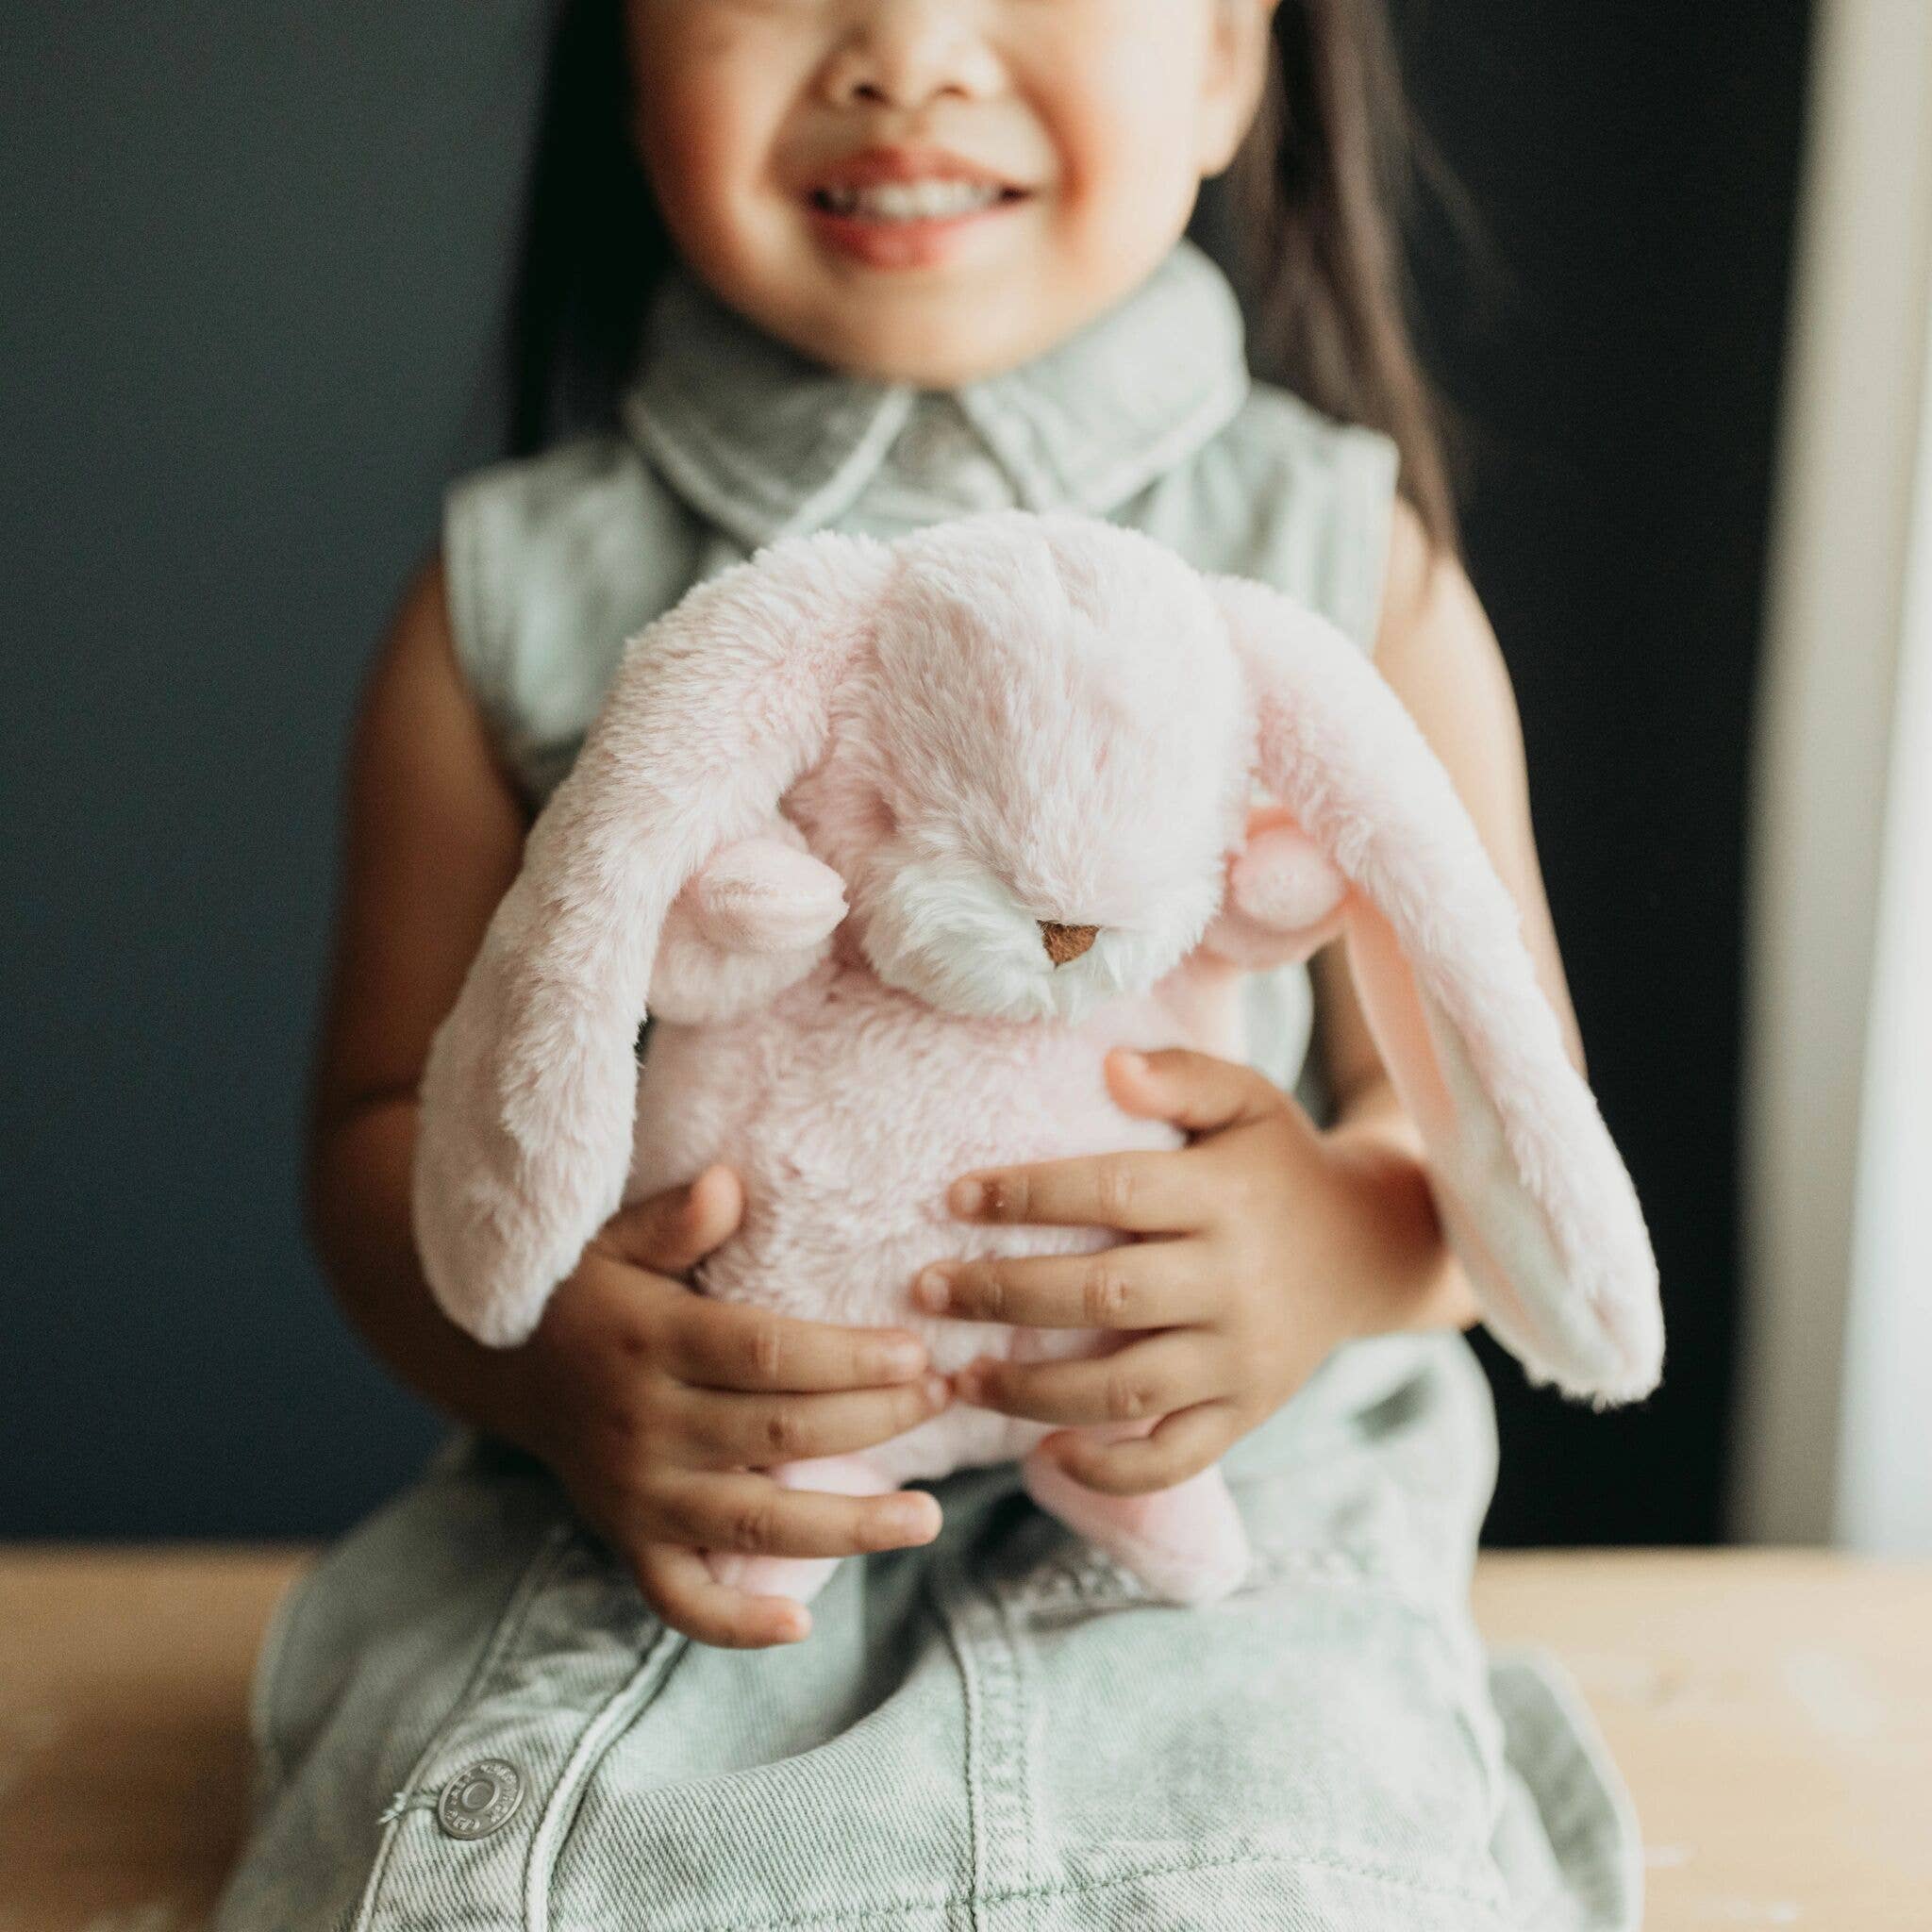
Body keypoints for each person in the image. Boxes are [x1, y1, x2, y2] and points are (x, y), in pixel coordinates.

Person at [215, 2, 1642, 1925]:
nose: (905, 52)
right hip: (683, 1510)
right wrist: (563, 1370)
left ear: (1228, 58)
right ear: (631, 69)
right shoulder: (514, 601)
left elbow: (1487, 1127)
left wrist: (1325, 1246)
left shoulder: (1338, 558)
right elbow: (378, 1125)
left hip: (1199, 1509)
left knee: (1299, 1837)